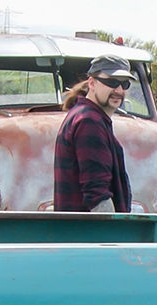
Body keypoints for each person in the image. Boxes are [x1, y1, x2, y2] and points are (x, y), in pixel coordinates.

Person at [54, 55, 134, 212]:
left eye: (124, 84)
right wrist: (113, 232)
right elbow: (97, 194)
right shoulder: (89, 122)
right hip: (87, 233)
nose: (118, 90)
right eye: (112, 82)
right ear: (92, 83)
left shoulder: (86, 116)